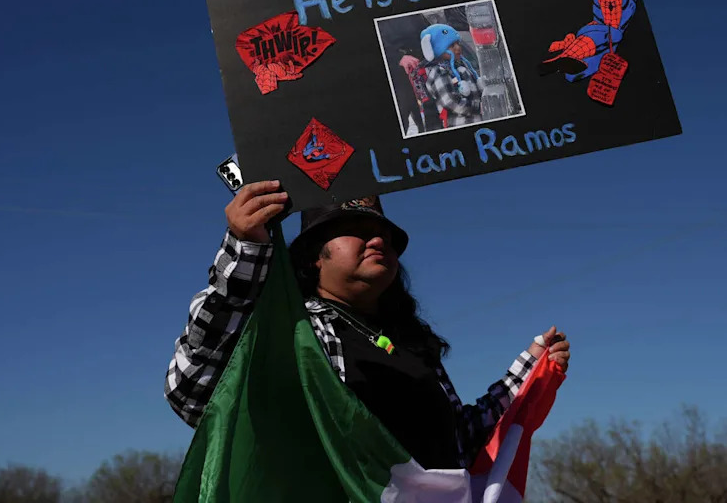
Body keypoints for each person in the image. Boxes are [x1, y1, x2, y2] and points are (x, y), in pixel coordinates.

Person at [164, 181, 571, 470]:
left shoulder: (411, 345)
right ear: (313, 258)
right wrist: (246, 246)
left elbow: (460, 442)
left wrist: (528, 372)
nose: (377, 241)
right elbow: (195, 391)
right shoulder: (288, 333)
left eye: (384, 235)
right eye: (356, 231)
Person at [420, 23, 485, 129]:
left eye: (458, 43)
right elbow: (451, 102)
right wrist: (480, 107)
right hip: (460, 124)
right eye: (451, 46)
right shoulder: (439, 72)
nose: (458, 48)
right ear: (438, 49)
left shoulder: (462, 65)